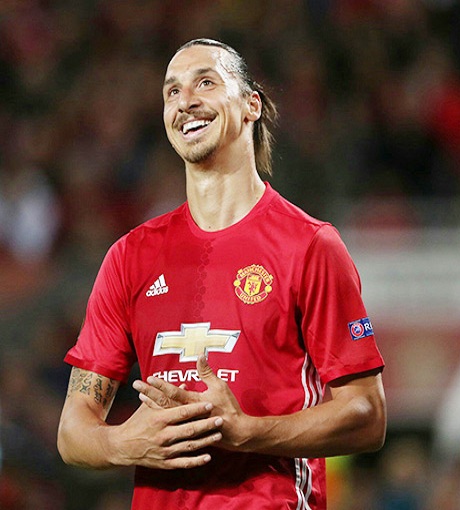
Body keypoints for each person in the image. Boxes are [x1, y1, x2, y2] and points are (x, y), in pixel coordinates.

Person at [57, 38, 386, 509]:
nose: (185, 101)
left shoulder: (310, 246)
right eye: (172, 91)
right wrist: (124, 443)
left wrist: (247, 432)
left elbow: (367, 414)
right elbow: (73, 431)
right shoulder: (130, 256)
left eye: (205, 83)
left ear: (251, 105)